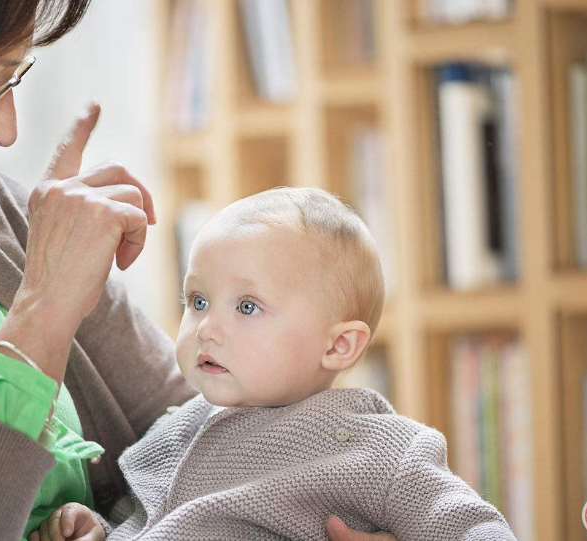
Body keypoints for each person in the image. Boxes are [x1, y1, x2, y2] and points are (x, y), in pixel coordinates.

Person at [0, 2, 396, 540]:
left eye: (13, 81)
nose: (6, 129)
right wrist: (44, 309)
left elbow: (207, 435)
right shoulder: (38, 257)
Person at [34, 188, 518, 541]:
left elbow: (480, 532)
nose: (206, 327)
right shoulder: (176, 430)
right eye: (198, 300)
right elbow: (141, 523)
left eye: (247, 307)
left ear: (339, 347)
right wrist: (97, 530)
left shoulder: (379, 451)